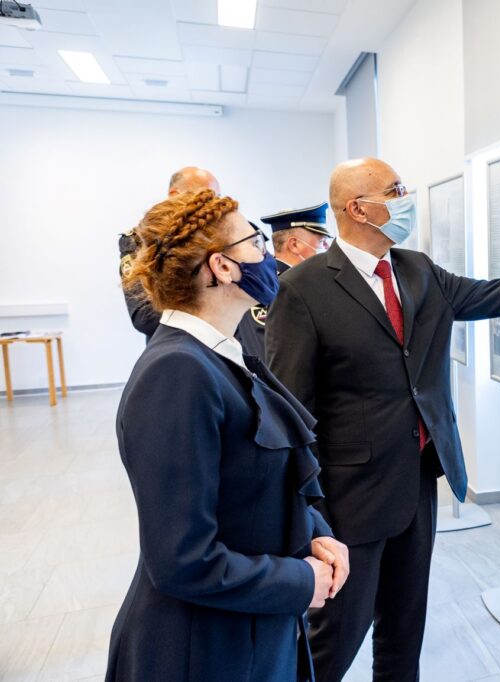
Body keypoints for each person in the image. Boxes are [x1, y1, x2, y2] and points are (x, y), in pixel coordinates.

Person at [266, 157, 500, 682]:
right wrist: (311, 516)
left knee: (404, 632)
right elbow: (292, 413)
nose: (405, 197)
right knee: (334, 643)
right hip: (349, 500)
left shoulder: (416, 269)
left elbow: (494, 294)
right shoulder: (303, 289)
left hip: (416, 483)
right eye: (395, 190)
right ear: (358, 208)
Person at [106, 189, 349, 681]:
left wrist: (316, 537)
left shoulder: (221, 353)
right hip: (203, 651)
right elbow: (182, 559)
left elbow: (252, 490)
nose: (266, 254)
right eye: (255, 242)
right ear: (222, 267)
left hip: (248, 632)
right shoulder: (175, 372)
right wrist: (300, 579)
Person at [118, 166, 221, 342]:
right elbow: (144, 317)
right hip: (179, 348)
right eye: (204, 196)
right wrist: (212, 311)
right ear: (174, 194)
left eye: (215, 198)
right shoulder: (140, 240)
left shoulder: (220, 236)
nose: (211, 205)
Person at [235, 203, 332, 360]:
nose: (328, 248)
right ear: (294, 245)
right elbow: (266, 357)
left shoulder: (313, 283)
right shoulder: (265, 289)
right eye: (322, 242)